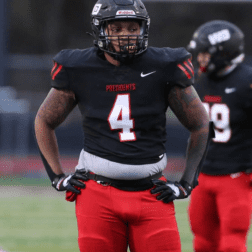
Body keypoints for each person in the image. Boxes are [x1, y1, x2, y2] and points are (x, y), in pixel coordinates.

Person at [34, 0, 210, 251]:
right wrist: (57, 177)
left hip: (152, 192)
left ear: (143, 29)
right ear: (100, 30)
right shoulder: (78, 67)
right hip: (97, 192)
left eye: (132, 27)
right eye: (116, 29)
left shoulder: (165, 65)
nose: (126, 35)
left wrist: (186, 182)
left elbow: (201, 124)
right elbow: (44, 120)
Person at [187, 20, 252, 252]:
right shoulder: (202, 81)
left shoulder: (247, 82)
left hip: (236, 175)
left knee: (232, 241)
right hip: (204, 173)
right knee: (202, 240)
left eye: (206, 53)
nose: (201, 59)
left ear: (224, 52)